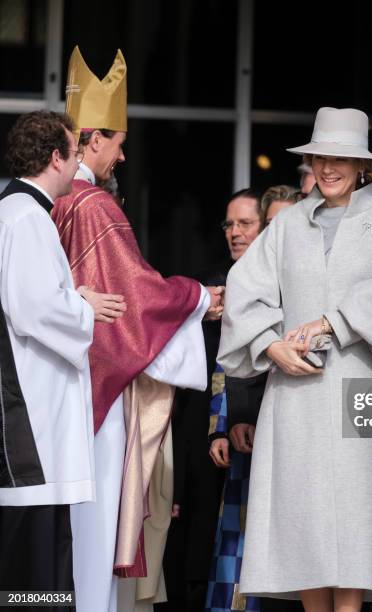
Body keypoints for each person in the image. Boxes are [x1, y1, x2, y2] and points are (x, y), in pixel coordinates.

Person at [218, 107, 372, 612]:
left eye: (342, 158)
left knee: (356, 519)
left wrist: (335, 321)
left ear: (363, 166)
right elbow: (245, 289)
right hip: (296, 393)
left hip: (359, 387)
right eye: (321, 156)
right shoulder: (286, 228)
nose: (329, 167)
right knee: (301, 519)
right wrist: (270, 345)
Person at [51, 46, 223, 612]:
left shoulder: (49, 201)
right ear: (94, 137)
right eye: (119, 143)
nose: (122, 157)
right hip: (96, 391)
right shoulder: (93, 205)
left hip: (57, 389)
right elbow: (136, 298)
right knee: (95, 529)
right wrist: (198, 296)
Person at [0, 110, 124, 597]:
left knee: (41, 558)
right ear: (55, 156)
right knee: (32, 566)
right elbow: (34, 308)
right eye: (75, 154)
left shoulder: (17, 211)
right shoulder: (26, 217)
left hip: (32, 405)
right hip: (30, 413)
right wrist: (84, 304)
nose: (78, 166)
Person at [207, 186, 302, 612]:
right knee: (241, 534)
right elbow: (228, 367)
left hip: (300, 426)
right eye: (229, 224)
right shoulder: (236, 281)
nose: (236, 233)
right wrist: (226, 423)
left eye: (245, 223)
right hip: (250, 426)